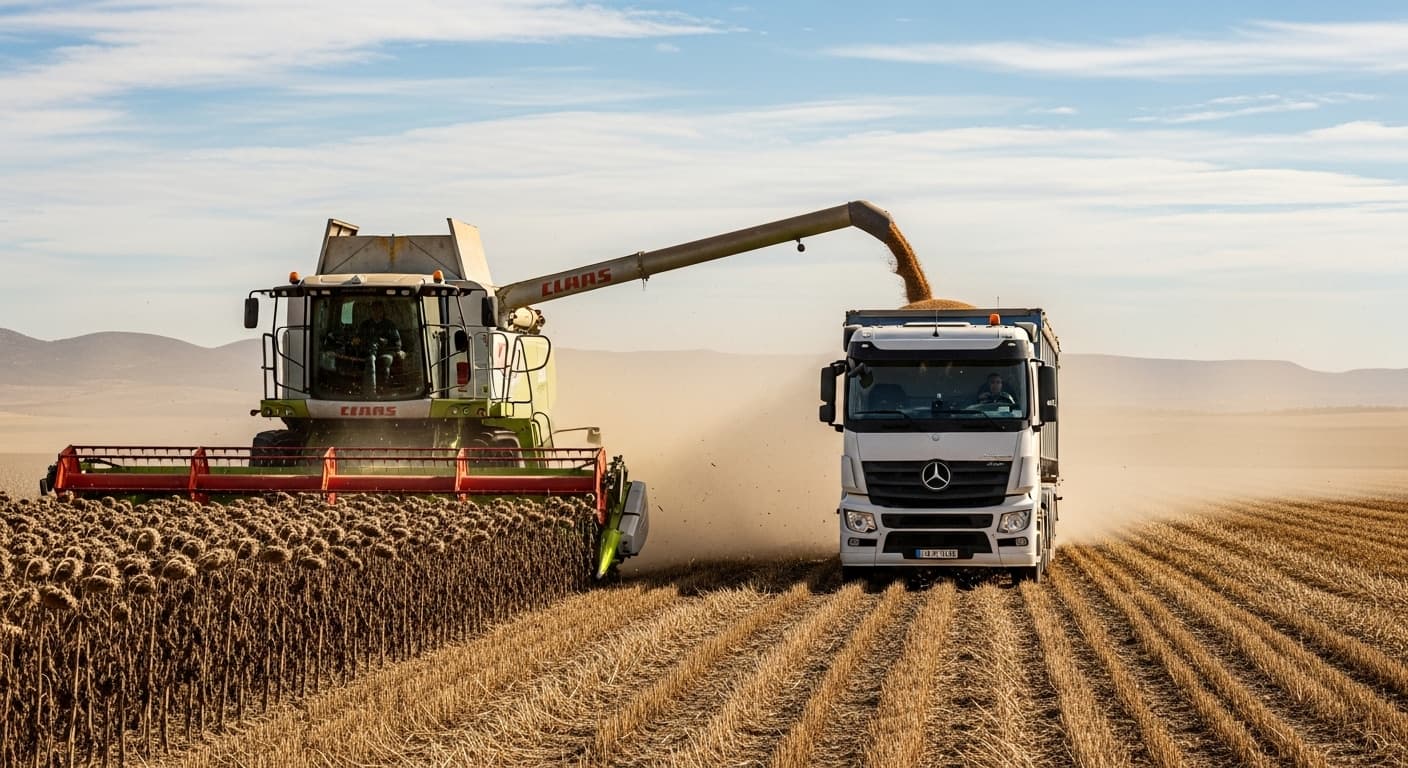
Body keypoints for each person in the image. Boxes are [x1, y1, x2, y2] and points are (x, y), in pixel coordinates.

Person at [354, 300, 407, 384]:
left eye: (379, 310)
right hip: (366, 352)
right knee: (362, 361)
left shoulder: (390, 325)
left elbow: (397, 343)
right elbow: (356, 340)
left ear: (383, 311)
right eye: (374, 310)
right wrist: (357, 341)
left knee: (385, 360)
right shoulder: (364, 325)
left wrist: (386, 342)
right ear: (371, 311)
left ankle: (383, 387)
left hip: (385, 352)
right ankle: (362, 388)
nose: (377, 312)